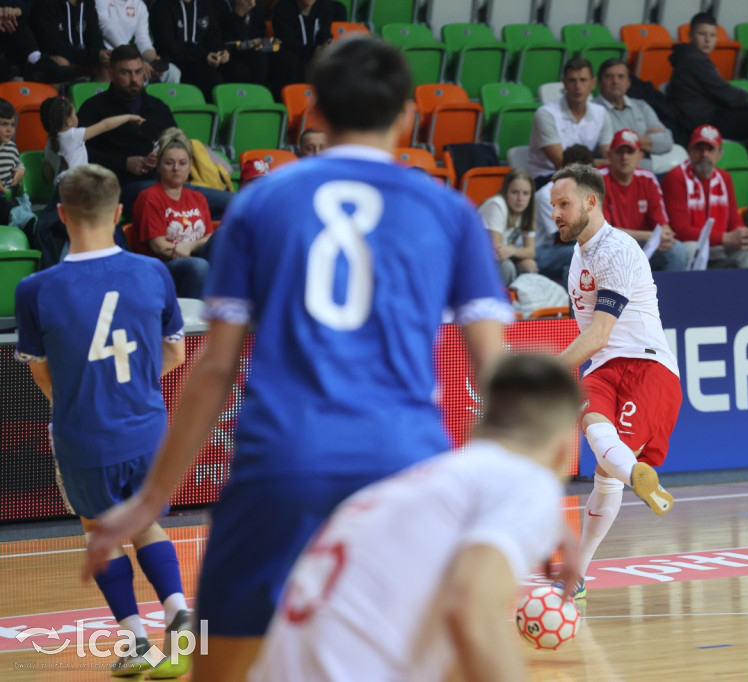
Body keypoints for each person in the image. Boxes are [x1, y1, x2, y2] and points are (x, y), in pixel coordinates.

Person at [83, 37, 513, 682]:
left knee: (219, 663)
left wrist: (148, 503)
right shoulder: (448, 210)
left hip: (281, 465)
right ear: (407, 116)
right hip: (406, 466)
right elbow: (500, 381)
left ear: (311, 113)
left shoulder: (261, 203)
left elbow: (213, 372)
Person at [250, 354, 580, 682]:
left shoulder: (420, 483)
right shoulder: (526, 483)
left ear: (477, 425)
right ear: (566, 445)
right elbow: (472, 612)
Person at [14, 164, 192, 678]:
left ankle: (137, 641)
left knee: (100, 528)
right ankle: (179, 608)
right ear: (118, 214)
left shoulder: (36, 289)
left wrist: (80, 395)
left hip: (85, 433)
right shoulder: (153, 272)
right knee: (144, 521)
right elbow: (176, 356)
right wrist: (130, 384)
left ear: (62, 215)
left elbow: (43, 373)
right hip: (147, 428)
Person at [551, 163, 679, 598]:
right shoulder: (579, 254)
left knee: (606, 472)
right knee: (589, 420)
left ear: (591, 202)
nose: (556, 214)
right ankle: (637, 475)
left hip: (647, 368)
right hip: (604, 368)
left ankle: (578, 571)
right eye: (553, 206)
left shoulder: (618, 251)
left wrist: (546, 373)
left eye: (564, 204)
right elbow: (597, 343)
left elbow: (600, 332)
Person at [78, 44, 233, 218]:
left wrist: (160, 158)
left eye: (138, 72)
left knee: (234, 203)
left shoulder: (158, 107)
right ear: (111, 74)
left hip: (167, 184)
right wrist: (124, 163)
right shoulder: (93, 108)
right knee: (151, 194)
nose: (134, 79)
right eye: (126, 73)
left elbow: (178, 144)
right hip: (118, 189)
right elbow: (79, 154)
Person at [666, 12, 748, 146]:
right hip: (701, 121)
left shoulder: (692, 57)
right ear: (690, 35)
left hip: (708, 114)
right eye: (702, 34)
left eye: (712, 35)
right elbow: (726, 94)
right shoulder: (694, 60)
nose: (707, 40)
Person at [662, 124, 748, 269]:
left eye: (710, 149)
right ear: (690, 151)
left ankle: (744, 292)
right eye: (699, 148)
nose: (704, 154)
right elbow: (680, 230)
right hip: (691, 245)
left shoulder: (725, 178)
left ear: (720, 154)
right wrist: (725, 238)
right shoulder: (676, 177)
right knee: (691, 248)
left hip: (719, 245)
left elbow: (734, 221)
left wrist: (742, 232)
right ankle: (690, 291)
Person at [131, 131, 215, 298]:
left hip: (195, 258)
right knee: (199, 266)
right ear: (159, 166)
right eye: (169, 163)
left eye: (182, 163)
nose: (176, 169)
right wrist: (191, 249)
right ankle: (192, 322)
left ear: (190, 166)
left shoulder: (198, 198)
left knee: (225, 236)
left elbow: (210, 237)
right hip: (161, 267)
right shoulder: (150, 197)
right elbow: (159, 246)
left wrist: (190, 245)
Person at [600, 128, 686, 272]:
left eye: (630, 152)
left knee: (676, 250)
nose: (624, 157)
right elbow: (603, 233)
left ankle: (668, 293)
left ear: (640, 156)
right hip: (609, 247)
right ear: (609, 155)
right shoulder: (597, 180)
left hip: (643, 245)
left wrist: (665, 235)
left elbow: (662, 224)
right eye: (619, 152)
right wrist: (652, 236)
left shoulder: (648, 179)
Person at [527, 58, 612, 180]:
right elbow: (563, 164)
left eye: (583, 80)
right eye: (572, 80)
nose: (578, 86)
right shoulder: (546, 114)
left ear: (593, 83)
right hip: (547, 177)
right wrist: (597, 163)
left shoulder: (601, 113)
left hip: (584, 175)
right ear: (564, 84)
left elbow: (610, 158)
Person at [150, 0, 252, 99]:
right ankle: (207, 113)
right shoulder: (162, 6)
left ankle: (234, 113)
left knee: (239, 71)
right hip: (177, 60)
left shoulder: (204, 4)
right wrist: (203, 56)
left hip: (203, 58)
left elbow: (212, 35)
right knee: (211, 78)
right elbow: (169, 46)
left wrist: (221, 51)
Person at [40, 95, 144, 184]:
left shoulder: (50, 142)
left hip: (61, 190)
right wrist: (128, 117)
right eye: (74, 114)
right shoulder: (73, 136)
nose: (77, 117)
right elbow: (105, 125)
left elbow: (48, 175)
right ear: (68, 122)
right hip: (77, 188)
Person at [594, 58, 675, 172]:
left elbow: (667, 141)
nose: (615, 81)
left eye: (621, 76)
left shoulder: (641, 106)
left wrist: (623, 141)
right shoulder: (593, 110)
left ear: (628, 82)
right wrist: (646, 139)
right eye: (609, 76)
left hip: (646, 177)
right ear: (599, 82)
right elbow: (606, 148)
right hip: (612, 178)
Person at [533, 143, 591, 287]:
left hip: (560, 249)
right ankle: (571, 307)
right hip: (537, 252)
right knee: (577, 253)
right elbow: (566, 236)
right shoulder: (547, 195)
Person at [95, 0, 180, 83]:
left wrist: (154, 60)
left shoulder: (139, 5)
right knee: (136, 73)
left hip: (132, 57)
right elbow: (107, 29)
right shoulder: (101, 1)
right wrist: (136, 59)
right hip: (109, 55)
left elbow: (143, 40)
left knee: (173, 72)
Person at [479, 168, 538, 285]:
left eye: (525, 193)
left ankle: (525, 301)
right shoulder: (496, 205)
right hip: (478, 260)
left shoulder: (526, 211)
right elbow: (498, 252)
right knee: (507, 266)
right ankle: (503, 301)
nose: (520, 199)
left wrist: (512, 250)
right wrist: (512, 251)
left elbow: (531, 251)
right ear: (505, 191)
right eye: (515, 192)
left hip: (502, 256)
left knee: (529, 264)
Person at [29, 0, 109, 79]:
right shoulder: (45, 3)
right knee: (60, 64)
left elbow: (96, 40)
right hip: (52, 60)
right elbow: (54, 47)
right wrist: (96, 55)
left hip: (83, 59)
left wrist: (104, 55)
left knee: (106, 65)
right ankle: (52, 92)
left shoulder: (87, 3)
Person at [272, 0, 334, 87]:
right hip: (293, 55)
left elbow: (324, 33)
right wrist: (314, 50)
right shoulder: (282, 8)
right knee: (289, 61)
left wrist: (327, 43)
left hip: (316, 54)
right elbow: (288, 43)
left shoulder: (325, 6)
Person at [0, 98, 24, 226]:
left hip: (6, 197)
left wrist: (21, 171)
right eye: (4, 124)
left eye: (12, 124)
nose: (9, 129)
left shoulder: (11, 147)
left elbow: (19, 164)